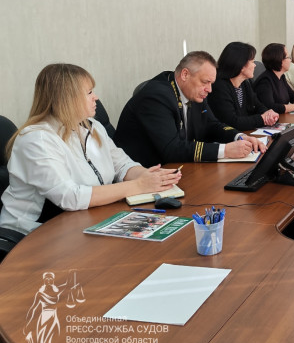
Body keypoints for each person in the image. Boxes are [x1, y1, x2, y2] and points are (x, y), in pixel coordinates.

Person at [0, 64, 182, 235]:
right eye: (89, 92)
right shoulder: (37, 140)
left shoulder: (91, 126)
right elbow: (69, 197)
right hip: (33, 234)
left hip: (84, 221)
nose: (96, 97)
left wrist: (150, 177)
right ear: (67, 99)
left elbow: (121, 164)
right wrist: (138, 186)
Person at [114, 51, 264, 167]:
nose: (209, 90)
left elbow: (212, 125)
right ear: (185, 74)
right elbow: (172, 149)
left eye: (211, 83)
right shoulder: (156, 96)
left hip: (177, 168)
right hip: (146, 173)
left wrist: (238, 137)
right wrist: (225, 151)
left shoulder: (193, 92)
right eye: (205, 82)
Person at [207, 42, 278, 131]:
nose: (255, 65)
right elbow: (233, 122)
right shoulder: (219, 86)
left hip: (244, 134)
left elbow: (258, 105)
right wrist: (262, 119)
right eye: (252, 62)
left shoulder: (244, 83)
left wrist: (268, 113)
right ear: (241, 66)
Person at [254, 43, 294, 114]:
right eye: (288, 57)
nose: (290, 60)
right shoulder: (265, 81)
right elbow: (270, 107)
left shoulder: (281, 77)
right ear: (279, 60)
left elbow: (292, 95)